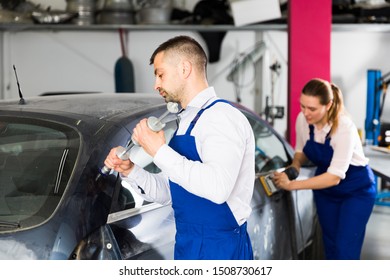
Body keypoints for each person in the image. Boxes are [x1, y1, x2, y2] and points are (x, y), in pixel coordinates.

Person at [104, 35, 255, 260]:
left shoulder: (220, 118)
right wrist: (131, 170)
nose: (156, 84)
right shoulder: (187, 120)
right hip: (188, 243)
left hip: (220, 248)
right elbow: (169, 192)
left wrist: (158, 151)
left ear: (184, 69)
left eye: (160, 74)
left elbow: (217, 188)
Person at [272, 78, 377, 260]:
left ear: (328, 105)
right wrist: (295, 166)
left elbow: (334, 177)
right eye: (302, 106)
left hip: (355, 190)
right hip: (326, 191)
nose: (305, 113)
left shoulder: (344, 127)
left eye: (312, 109)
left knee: (345, 249)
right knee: (329, 245)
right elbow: (301, 150)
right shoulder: (303, 120)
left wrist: (291, 185)